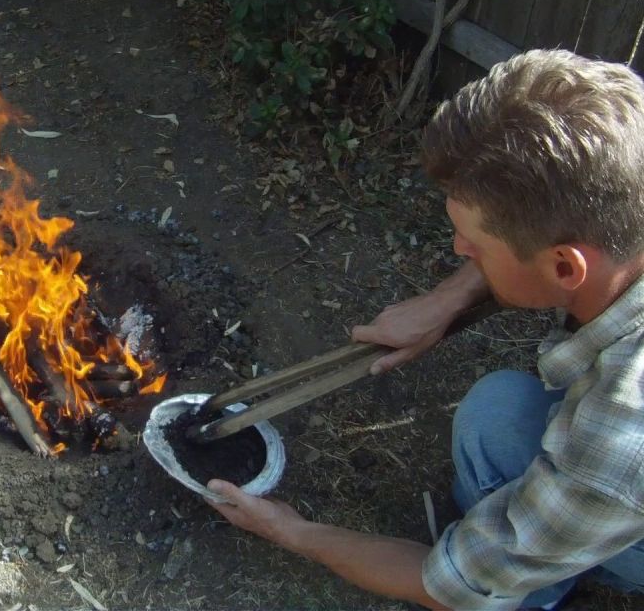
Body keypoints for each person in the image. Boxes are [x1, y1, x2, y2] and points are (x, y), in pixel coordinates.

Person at [206, 49, 644, 610]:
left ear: (565, 266)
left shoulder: (616, 441)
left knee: (493, 426)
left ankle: (535, 584)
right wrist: (448, 299)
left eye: (475, 245)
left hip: (625, 492)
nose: (459, 249)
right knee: (501, 409)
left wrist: (290, 531)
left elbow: (447, 585)